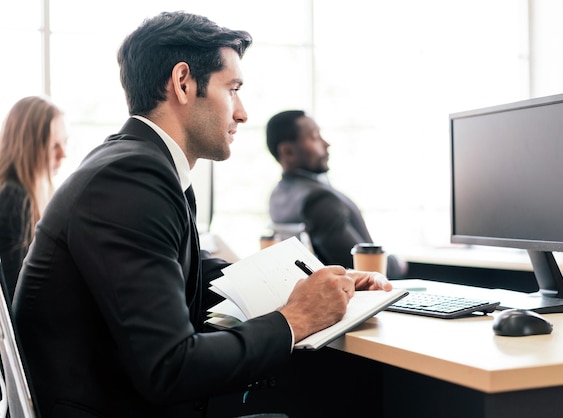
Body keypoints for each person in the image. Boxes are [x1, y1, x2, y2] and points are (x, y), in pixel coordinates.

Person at [12, 11, 392, 418]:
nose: (242, 113)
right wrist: (295, 318)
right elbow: (170, 366)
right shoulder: (130, 177)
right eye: (233, 89)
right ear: (183, 83)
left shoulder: (137, 163)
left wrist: (317, 282)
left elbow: (190, 274)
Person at [266, 110, 407, 279]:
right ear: (288, 151)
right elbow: (365, 271)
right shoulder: (319, 200)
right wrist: (398, 262)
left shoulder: (278, 196)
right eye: (315, 137)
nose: (326, 143)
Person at [0, 96, 67, 302]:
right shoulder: (14, 199)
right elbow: (18, 294)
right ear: (29, 146)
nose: (63, 154)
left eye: (64, 143)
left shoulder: (29, 195)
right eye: (53, 145)